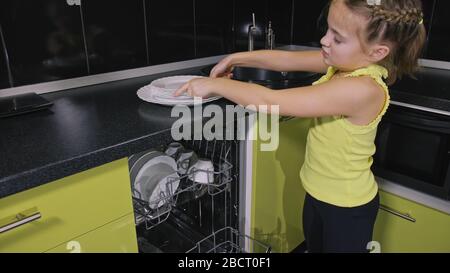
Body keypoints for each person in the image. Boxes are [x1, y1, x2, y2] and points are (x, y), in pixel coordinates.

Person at [175, 0, 426, 253]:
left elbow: (271, 101)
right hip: (318, 195)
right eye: (328, 30)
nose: (325, 41)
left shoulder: (363, 88)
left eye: (337, 38)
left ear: (376, 52)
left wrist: (217, 85)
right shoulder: (344, 64)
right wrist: (235, 58)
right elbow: (285, 60)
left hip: (347, 209)